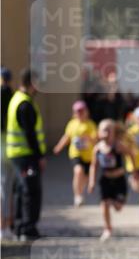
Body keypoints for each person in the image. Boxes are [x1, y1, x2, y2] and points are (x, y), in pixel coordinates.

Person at [6, 69, 46, 242]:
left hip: (17, 155)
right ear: (31, 83)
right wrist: (40, 156)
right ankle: (27, 228)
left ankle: (19, 226)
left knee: (20, 190)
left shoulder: (17, 99)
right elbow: (30, 134)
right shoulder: (25, 104)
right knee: (30, 191)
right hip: (26, 156)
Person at [88, 119, 133, 241]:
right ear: (98, 132)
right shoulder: (97, 149)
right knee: (104, 205)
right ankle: (107, 229)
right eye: (103, 130)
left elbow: (131, 154)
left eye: (109, 130)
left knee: (118, 208)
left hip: (119, 180)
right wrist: (91, 181)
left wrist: (133, 172)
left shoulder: (118, 146)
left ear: (114, 132)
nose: (106, 133)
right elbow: (93, 166)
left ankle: (114, 201)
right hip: (105, 180)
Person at [52, 100, 97, 207]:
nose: (80, 114)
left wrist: (89, 138)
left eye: (82, 111)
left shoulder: (90, 125)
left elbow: (96, 140)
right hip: (75, 153)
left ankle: (80, 192)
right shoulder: (72, 124)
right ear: (74, 113)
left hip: (88, 155)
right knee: (78, 171)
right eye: (77, 112)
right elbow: (66, 137)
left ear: (86, 112)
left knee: (85, 178)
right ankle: (77, 196)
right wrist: (59, 147)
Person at [1, 67, 15, 239]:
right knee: (7, 188)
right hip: (9, 146)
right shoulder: (12, 97)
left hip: (4, 145)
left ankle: (4, 227)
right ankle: (6, 226)